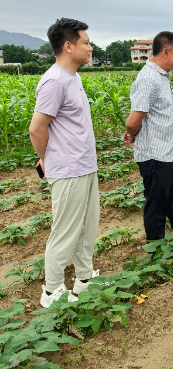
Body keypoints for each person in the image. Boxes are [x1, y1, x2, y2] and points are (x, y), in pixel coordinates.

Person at [29, 18, 99, 307]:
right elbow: (36, 128)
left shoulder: (74, 77)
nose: (90, 46)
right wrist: (46, 159)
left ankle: (84, 279)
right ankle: (52, 291)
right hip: (68, 169)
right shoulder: (54, 81)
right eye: (85, 42)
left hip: (85, 166)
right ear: (68, 46)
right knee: (65, 231)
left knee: (87, 227)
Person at [124, 31, 173, 242]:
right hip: (154, 154)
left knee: (172, 195)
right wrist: (132, 133)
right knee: (157, 201)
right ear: (165, 51)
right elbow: (133, 121)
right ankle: (156, 244)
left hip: (167, 151)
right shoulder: (148, 78)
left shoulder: (161, 75)